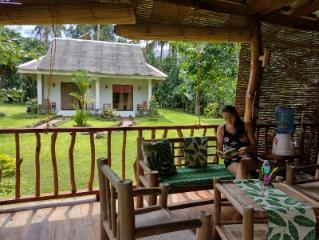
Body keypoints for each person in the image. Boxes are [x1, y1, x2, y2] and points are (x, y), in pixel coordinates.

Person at [217, 105, 257, 179]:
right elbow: (219, 150)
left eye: (231, 117)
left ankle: (237, 190)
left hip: (248, 159)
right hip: (231, 160)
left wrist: (246, 149)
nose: (228, 121)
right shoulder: (222, 129)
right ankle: (242, 190)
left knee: (243, 163)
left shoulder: (246, 126)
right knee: (248, 176)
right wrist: (224, 155)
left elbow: (255, 146)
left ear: (235, 115)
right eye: (226, 118)